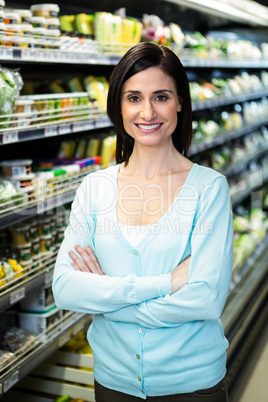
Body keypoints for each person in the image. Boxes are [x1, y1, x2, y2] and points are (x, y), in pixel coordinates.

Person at [52, 42, 233, 402]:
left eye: (161, 96)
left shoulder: (209, 189)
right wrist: (167, 282)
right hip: (113, 383)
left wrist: (107, 298)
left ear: (180, 100)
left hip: (192, 385)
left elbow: (207, 299)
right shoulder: (94, 188)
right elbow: (66, 288)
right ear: (119, 105)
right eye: (134, 97)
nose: (147, 111)